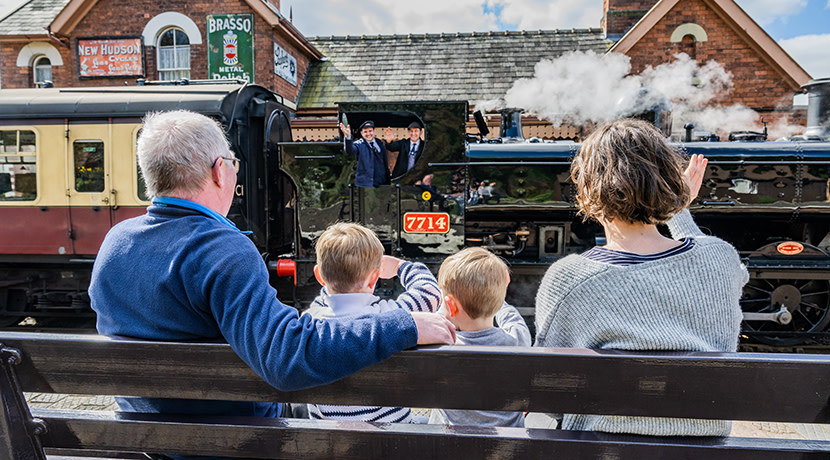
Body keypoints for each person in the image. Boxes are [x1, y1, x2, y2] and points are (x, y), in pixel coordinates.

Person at [89, 110, 455, 460]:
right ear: (220, 172)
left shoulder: (115, 241)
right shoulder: (221, 248)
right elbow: (287, 356)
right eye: (232, 163)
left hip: (146, 434)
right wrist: (403, 325)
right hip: (230, 443)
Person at [534, 118, 748, 436]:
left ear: (589, 188)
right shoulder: (722, 259)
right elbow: (709, 260)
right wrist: (679, 211)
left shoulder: (569, 279)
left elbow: (547, 389)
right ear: (670, 182)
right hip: (704, 448)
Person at [303, 222, 441, 422]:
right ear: (374, 278)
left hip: (330, 442)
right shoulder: (390, 316)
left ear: (319, 276)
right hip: (393, 437)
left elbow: (323, 298)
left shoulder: (310, 321)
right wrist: (401, 266)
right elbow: (430, 292)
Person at [429, 247, 531, 427]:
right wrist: (499, 297)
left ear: (449, 305)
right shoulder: (517, 341)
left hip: (448, 447)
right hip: (507, 447)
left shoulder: (441, 346)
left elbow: (435, 319)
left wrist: (446, 305)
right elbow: (513, 320)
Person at [340, 119, 390, 188]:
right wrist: (348, 137)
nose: (368, 134)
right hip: (366, 185)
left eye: (370, 131)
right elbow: (350, 151)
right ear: (361, 133)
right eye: (365, 132)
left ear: (374, 131)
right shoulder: (359, 144)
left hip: (382, 183)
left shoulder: (379, 143)